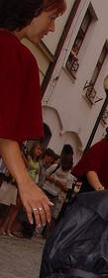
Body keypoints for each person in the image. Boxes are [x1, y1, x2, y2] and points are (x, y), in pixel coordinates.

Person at [0, 0, 66, 226]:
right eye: (51, 18)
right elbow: (4, 131)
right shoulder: (16, 54)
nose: (52, 28)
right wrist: (26, 183)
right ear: (31, 10)